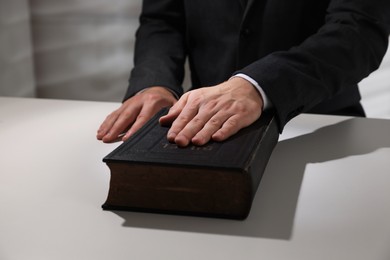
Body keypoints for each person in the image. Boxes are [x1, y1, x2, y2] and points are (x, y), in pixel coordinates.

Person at [97, 0, 390, 147]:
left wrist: (258, 84)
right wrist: (156, 83)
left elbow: (359, 31)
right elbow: (162, 18)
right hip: (203, 131)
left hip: (319, 129)